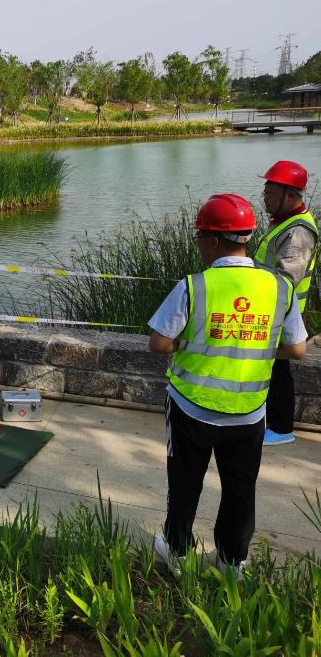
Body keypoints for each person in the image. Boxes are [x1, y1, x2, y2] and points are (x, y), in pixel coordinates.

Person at [148, 194, 307, 578]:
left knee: (185, 483)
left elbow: (159, 343)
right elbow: (297, 348)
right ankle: (232, 562)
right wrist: (257, 347)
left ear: (214, 241)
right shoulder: (279, 287)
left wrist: (192, 345)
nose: (199, 245)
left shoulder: (194, 286)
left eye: (199, 237)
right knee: (240, 489)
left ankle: (177, 552)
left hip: (191, 408)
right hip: (248, 414)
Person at [254, 160, 318, 446]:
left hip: (280, 311)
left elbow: (286, 279)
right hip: (271, 308)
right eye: (265, 193)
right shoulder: (285, 221)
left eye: (270, 194)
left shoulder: (298, 231)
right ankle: (273, 423)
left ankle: (281, 429)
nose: (265, 199)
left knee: (278, 368)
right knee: (272, 367)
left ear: (290, 196)